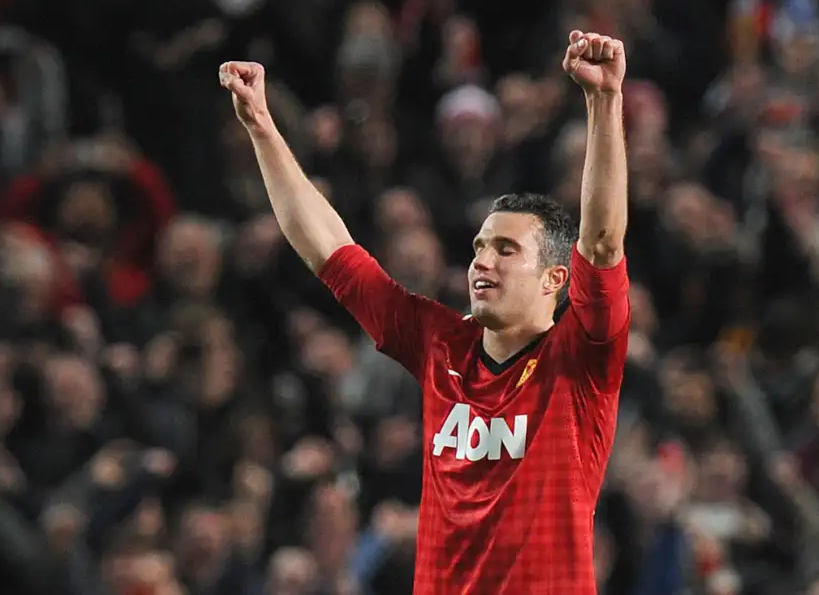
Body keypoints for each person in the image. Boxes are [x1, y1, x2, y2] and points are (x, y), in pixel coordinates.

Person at [217, 29, 631, 594]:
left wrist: (603, 102)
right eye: (479, 248)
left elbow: (603, 241)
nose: (483, 262)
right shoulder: (442, 345)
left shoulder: (581, 359)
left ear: (555, 280)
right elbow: (329, 251)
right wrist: (262, 126)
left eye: (506, 250)